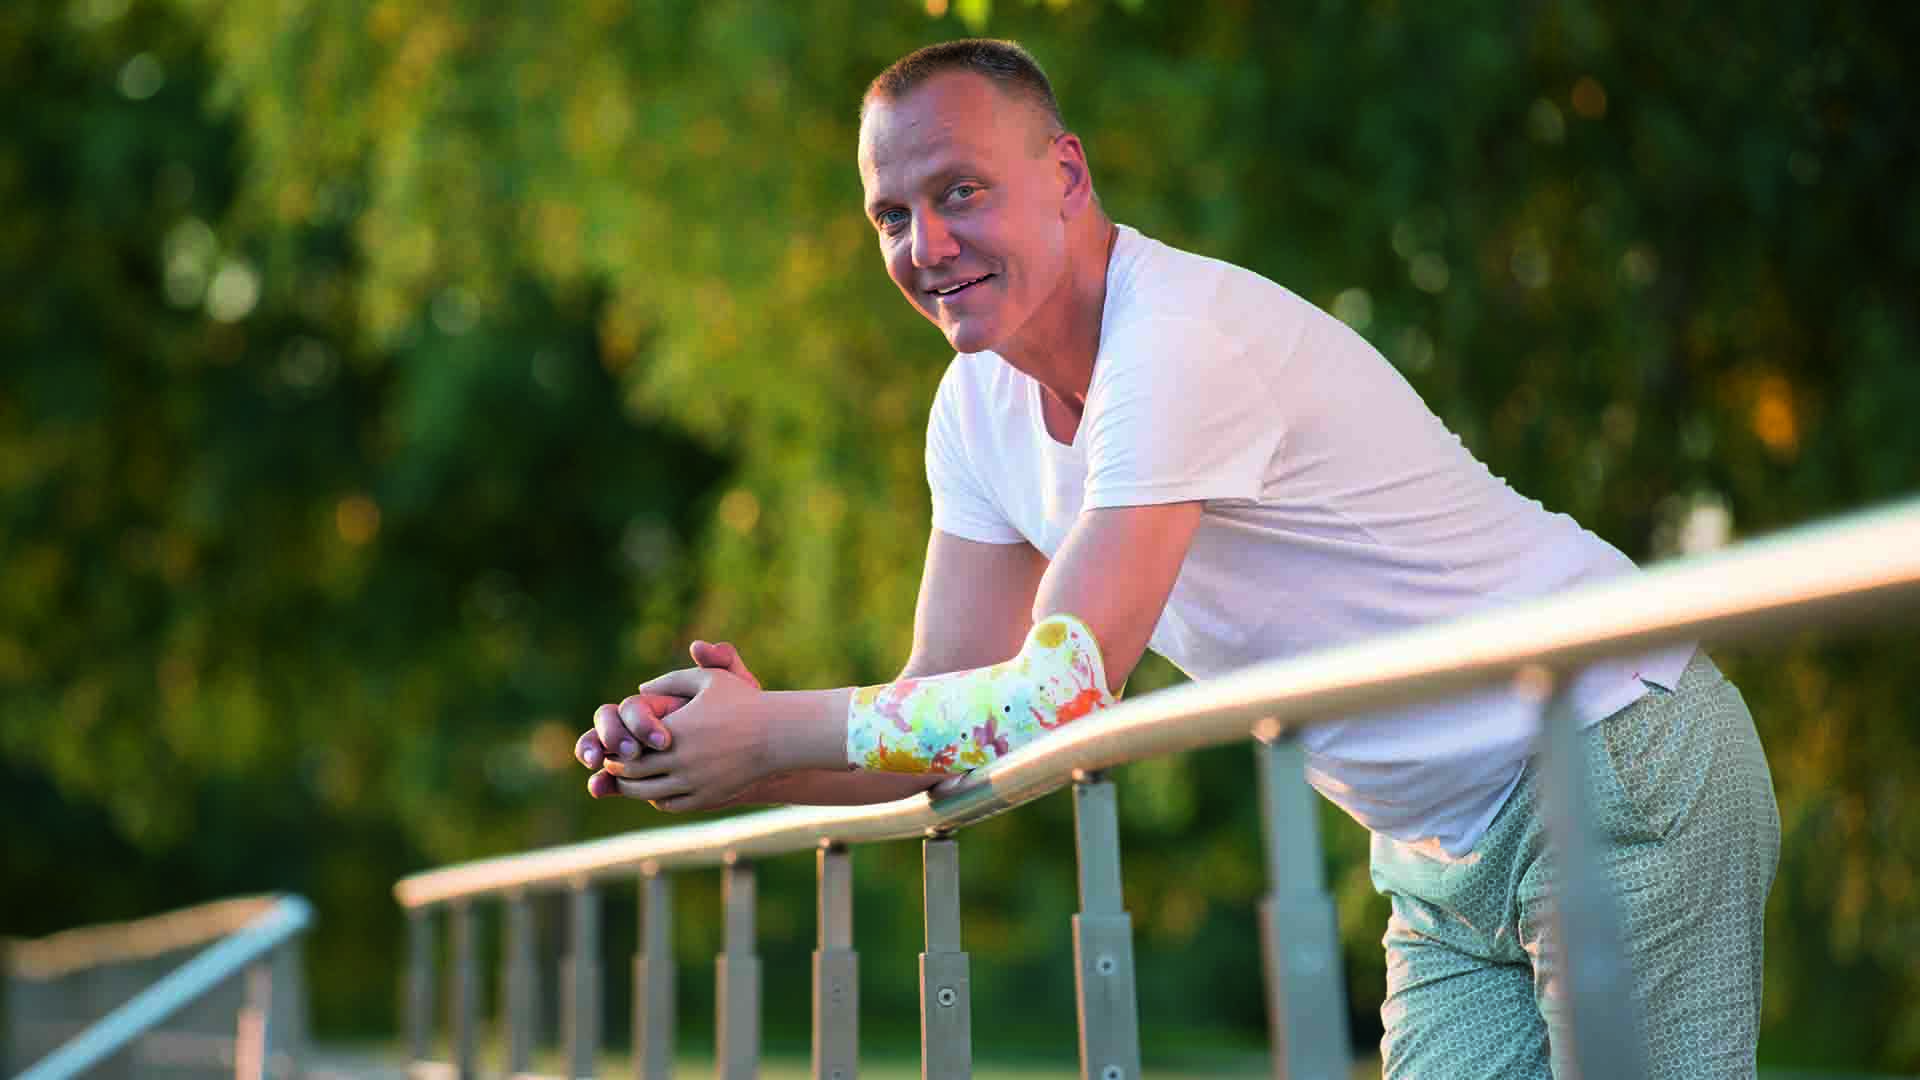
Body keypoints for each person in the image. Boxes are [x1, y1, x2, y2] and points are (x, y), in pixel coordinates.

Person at [572, 39, 1779, 1078]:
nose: (926, 243)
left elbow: (1059, 690)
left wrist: (773, 729)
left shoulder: (1175, 339)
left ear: (1067, 176)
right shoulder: (976, 408)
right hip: (1438, 851)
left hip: (1613, 744)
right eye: (892, 214)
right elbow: (946, 708)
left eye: (960, 193)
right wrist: (721, 750)